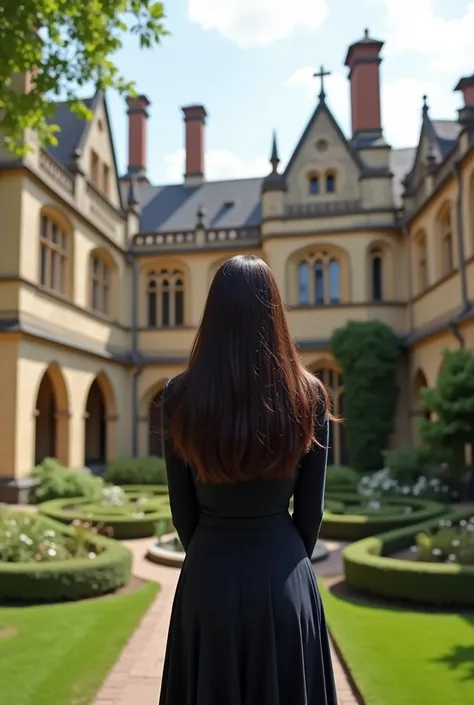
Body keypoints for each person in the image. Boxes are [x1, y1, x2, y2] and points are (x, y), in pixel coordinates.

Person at [159, 254, 338, 705]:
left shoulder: (177, 394)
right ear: (274, 309)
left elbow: (183, 514)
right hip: (284, 575)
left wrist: (211, 551)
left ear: (212, 313)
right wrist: (283, 554)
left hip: (208, 576)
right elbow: (311, 514)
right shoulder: (309, 393)